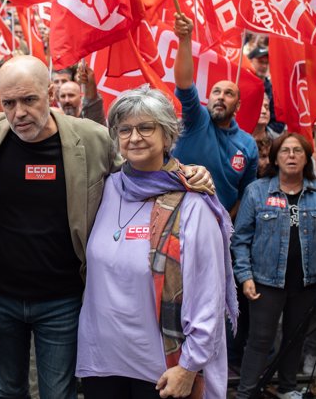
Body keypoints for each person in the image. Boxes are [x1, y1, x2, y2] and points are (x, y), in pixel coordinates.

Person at [0, 55, 213, 399]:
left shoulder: (92, 138)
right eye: (8, 102)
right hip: (0, 299)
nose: (18, 112)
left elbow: (140, 163)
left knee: (59, 392)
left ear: (50, 92)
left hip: (62, 299)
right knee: (9, 389)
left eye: (29, 100)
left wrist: (186, 172)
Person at [76, 87, 236, 398]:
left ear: (167, 135)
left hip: (163, 368)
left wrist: (190, 366)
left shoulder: (192, 202)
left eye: (146, 127)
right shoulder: (106, 187)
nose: (134, 137)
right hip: (101, 361)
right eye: (125, 129)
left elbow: (209, 294)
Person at [232, 133, 316, 399]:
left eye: (297, 151)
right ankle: (246, 393)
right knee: (259, 341)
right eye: (285, 150)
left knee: (295, 338)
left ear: (306, 158)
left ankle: (287, 389)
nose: (291, 155)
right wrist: (245, 276)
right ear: (276, 158)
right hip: (265, 282)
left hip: (308, 283)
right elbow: (240, 239)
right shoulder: (257, 191)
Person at [172, 13, 258, 218]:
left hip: (218, 227)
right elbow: (184, 83)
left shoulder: (248, 144)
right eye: (216, 92)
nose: (220, 97)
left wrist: (225, 221)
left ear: (237, 106)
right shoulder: (196, 119)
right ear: (207, 99)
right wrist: (184, 40)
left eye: (229, 94)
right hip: (175, 218)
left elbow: (246, 194)